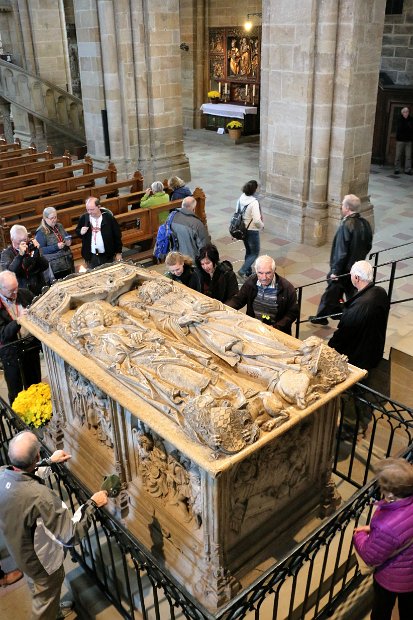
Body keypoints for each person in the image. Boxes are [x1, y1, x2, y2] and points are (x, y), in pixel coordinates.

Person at [0, 431, 108, 619]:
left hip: (19, 550)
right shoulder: (40, 497)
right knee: (45, 601)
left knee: (38, 588)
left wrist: (49, 462)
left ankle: (54, 611)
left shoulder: (2, 474)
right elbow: (71, 535)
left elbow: (22, 476)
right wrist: (92, 504)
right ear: (37, 456)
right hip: (42, 564)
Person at [328, 260, 390, 435]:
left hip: (357, 357)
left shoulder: (360, 306)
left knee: (349, 392)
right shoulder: (380, 293)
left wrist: (329, 349)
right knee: (362, 389)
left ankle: (349, 427)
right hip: (372, 352)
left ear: (356, 277)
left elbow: (343, 335)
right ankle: (361, 418)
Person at [353, 457, 413, 620]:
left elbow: (369, 555)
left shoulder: (385, 526)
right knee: (408, 608)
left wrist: (359, 535)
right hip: (410, 574)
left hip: (391, 578)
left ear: (391, 495)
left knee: (382, 609)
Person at [311, 194, 372, 325]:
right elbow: (368, 245)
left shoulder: (347, 225)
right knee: (349, 294)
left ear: (347, 208)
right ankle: (339, 313)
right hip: (356, 269)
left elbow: (341, 252)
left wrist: (335, 271)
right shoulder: (365, 223)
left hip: (343, 270)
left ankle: (322, 317)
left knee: (331, 293)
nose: (341, 207)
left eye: (343, 204)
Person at [227, 255, 299, 335]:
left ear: (274, 270)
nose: (264, 277)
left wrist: (275, 328)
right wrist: (222, 308)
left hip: (277, 332)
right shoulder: (251, 282)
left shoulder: (287, 288)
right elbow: (238, 300)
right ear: (256, 270)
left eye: (268, 273)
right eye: (260, 273)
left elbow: (292, 313)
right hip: (254, 328)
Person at [0, 271, 42, 404]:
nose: (15, 293)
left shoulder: (24, 293)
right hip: (11, 354)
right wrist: (18, 321)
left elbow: (39, 310)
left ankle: (39, 415)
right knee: (16, 391)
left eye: (16, 288)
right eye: (11, 291)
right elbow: (3, 334)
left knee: (35, 385)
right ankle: (19, 420)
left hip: (30, 348)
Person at [0, 224, 48, 296]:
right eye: (20, 241)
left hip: (40, 287)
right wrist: (20, 256)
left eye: (25, 240)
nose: (23, 243)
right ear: (12, 239)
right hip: (23, 292)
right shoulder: (6, 254)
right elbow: (10, 274)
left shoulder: (31, 247)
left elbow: (45, 266)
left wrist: (37, 252)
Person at [75, 196, 122, 268]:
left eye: (92, 209)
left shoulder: (108, 218)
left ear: (99, 207)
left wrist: (118, 252)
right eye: (88, 209)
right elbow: (78, 232)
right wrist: (80, 232)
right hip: (91, 255)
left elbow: (117, 235)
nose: (89, 212)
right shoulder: (84, 218)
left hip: (107, 254)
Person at [35, 207, 74, 282]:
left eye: (55, 217)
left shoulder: (59, 226)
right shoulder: (41, 232)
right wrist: (56, 247)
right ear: (45, 218)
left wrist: (68, 241)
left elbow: (66, 236)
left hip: (67, 261)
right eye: (51, 218)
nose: (54, 220)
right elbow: (41, 250)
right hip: (55, 266)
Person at [236, 180, 264, 281]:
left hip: (242, 229)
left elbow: (237, 211)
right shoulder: (254, 202)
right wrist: (261, 226)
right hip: (252, 230)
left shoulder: (241, 197)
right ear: (254, 190)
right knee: (255, 253)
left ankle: (248, 272)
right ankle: (242, 271)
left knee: (248, 250)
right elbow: (257, 220)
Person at [394, 107, 413, 175]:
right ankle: (397, 169)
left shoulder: (411, 119)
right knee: (398, 155)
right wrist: (407, 127)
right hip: (400, 140)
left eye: (407, 111)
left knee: (408, 156)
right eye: (404, 112)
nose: (406, 113)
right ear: (402, 113)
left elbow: (411, 128)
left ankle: (407, 170)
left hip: (409, 140)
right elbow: (400, 128)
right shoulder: (399, 119)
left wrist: (408, 127)